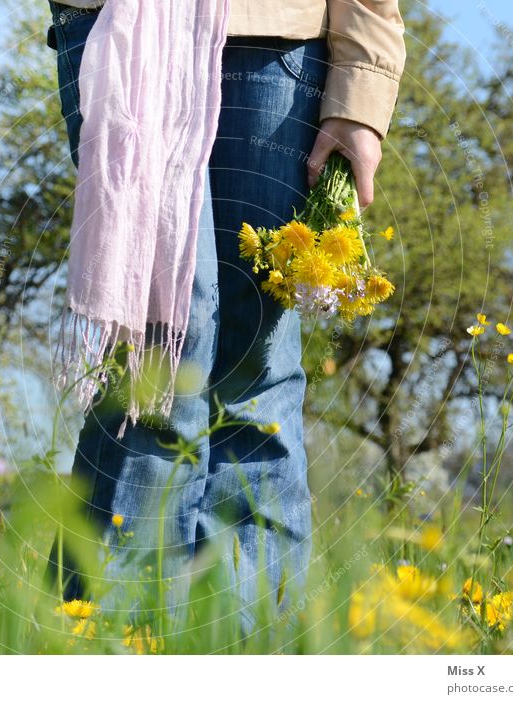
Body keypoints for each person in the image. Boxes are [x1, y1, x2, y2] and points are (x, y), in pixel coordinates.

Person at [44, 0, 406, 634]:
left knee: (253, 365)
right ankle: (105, 642)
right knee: (158, 350)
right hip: (125, 26)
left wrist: (361, 89)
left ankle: (246, 650)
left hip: (276, 45)